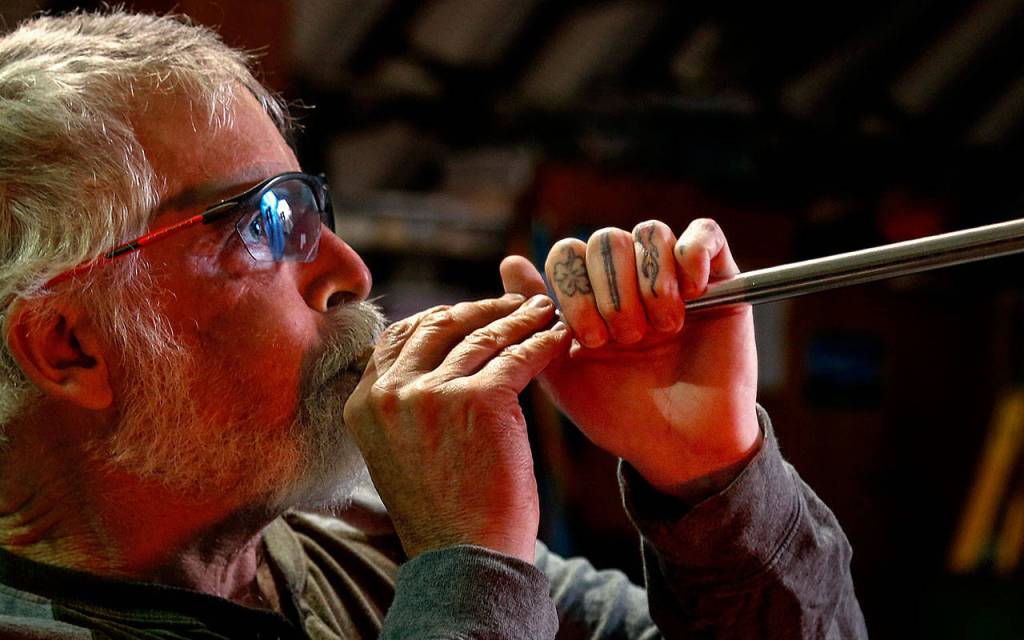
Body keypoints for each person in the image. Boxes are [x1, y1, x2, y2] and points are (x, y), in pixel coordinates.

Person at [0, 10, 867, 640]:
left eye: (310, 206)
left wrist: (709, 478)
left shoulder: (357, 561)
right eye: (263, 224)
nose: (348, 272)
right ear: (68, 346)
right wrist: (471, 569)